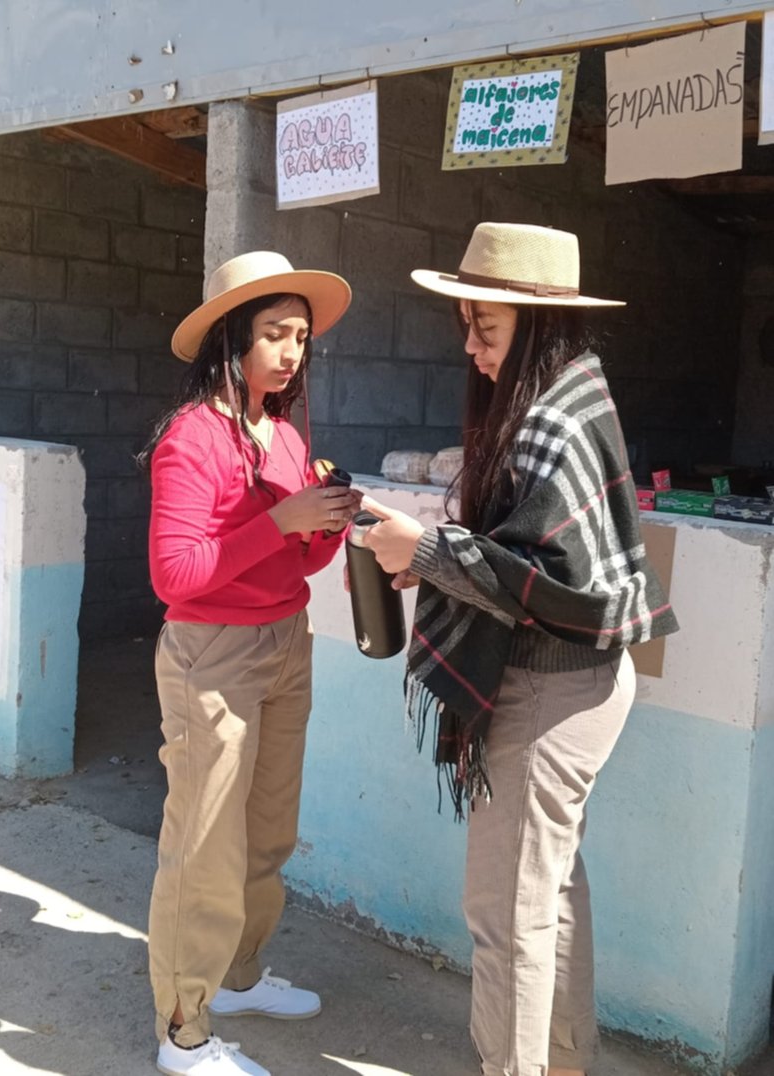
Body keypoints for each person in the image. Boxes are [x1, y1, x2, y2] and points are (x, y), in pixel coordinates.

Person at [361, 222, 678, 1076]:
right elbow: (523, 561)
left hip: (550, 697)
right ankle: (564, 1064)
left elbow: (550, 584)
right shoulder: (573, 396)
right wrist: (433, 561)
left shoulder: (551, 422)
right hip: (576, 687)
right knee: (548, 901)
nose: (469, 347)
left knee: (504, 919)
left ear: (534, 327)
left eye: (485, 328)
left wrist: (427, 554)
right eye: (465, 323)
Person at [139, 251, 359, 1076]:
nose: (291, 351)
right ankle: (182, 1031)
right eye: (274, 334)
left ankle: (235, 978)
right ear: (231, 338)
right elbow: (176, 576)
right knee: (203, 847)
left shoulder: (284, 434)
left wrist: (326, 523)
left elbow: (294, 566)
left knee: (268, 833)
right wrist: (281, 520)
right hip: (212, 656)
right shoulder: (190, 438)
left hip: (283, 644)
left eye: (300, 337)